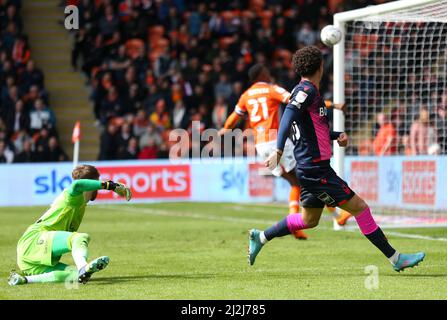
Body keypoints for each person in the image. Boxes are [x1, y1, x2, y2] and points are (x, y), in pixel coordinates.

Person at [248, 46, 425, 272]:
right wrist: (279, 150)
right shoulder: (306, 91)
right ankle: (395, 258)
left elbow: (310, 130)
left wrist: (335, 135)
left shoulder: (306, 91)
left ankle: (261, 237)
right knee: (360, 208)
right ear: (321, 67)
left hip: (309, 168)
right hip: (316, 170)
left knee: (309, 220)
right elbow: (287, 118)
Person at [219, 64, 349, 240]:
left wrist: (224, 130)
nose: (269, 73)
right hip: (276, 142)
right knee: (311, 177)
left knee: (296, 183)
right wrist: (333, 105)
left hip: (261, 146)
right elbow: (300, 102)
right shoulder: (271, 89)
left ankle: (299, 222)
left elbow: (234, 118)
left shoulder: (246, 95)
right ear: (262, 74)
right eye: (267, 71)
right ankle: (337, 216)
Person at [8, 165, 132, 286]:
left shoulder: (81, 203)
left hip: (27, 261)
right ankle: (83, 266)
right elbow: (77, 185)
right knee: (79, 238)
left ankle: (23, 280)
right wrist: (110, 185)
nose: (97, 188)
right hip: (33, 240)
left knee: (73, 274)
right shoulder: (72, 196)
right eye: (96, 183)